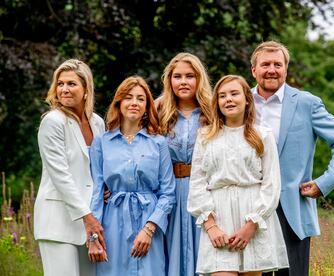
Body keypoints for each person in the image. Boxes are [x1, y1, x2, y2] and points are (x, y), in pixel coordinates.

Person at [250, 41, 334, 275]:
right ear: (254, 70)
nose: (271, 69)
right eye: (265, 64)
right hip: (247, 207)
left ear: (286, 69)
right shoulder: (239, 102)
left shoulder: (307, 103)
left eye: (278, 64)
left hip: (291, 209)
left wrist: (324, 182)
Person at [188, 75, 289, 275]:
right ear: (217, 102)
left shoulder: (263, 136)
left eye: (234, 94)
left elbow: (271, 185)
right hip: (219, 219)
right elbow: (197, 183)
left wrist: (251, 225)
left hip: (252, 219)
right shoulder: (205, 137)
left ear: (247, 99)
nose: (229, 99)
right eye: (222, 96)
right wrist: (211, 226)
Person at [89, 76, 176, 275]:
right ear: (119, 103)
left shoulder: (158, 142)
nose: (134, 103)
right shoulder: (101, 142)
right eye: (129, 98)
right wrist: (94, 236)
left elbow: (168, 193)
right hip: (112, 223)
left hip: (149, 220)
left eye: (141, 99)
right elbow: (97, 191)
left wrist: (149, 229)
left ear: (147, 106)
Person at [34, 59, 106, 276]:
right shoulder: (53, 122)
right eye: (60, 83)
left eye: (71, 84)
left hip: (90, 222)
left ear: (86, 89)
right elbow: (61, 177)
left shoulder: (97, 123)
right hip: (58, 221)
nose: (64, 89)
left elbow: (99, 169)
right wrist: (88, 218)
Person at [158, 52, 213, 276]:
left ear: (199, 79)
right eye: (177, 76)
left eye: (189, 76)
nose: (183, 82)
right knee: (171, 252)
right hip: (170, 190)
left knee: (205, 251)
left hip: (205, 191)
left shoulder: (213, 112)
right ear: (169, 80)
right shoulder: (159, 112)